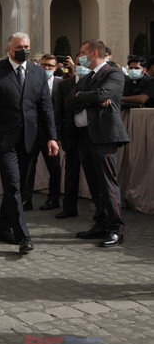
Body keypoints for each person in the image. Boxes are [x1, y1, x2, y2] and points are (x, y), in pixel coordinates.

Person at [0, 32, 59, 254]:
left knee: (21, 187)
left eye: (27, 46)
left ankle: (2, 229)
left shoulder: (38, 73)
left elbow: (45, 108)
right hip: (3, 141)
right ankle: (23, 236)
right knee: (13, 186)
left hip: (29, 140)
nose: (24, 49)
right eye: (19, 46)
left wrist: (52, 136)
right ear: (9, 50)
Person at [66, 39, 129, 247]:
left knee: (107, 183)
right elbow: (68, 100)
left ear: (93, 53)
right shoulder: (87, 77)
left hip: (104, 135)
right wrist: (88, 97)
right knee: (94, 183)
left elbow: (103, 94)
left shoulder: (113, 73)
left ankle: (116, 228)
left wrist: (85, 96)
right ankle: (101, 223)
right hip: (85, 136)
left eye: (83, 52)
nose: (80, 56)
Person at [22, 54, 62, 211]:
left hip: (51, 135)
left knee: (54, 168)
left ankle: (53, 199)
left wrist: (56, 136)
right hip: (32, 132)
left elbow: (61, 112)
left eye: (50, 66)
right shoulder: (31, 82)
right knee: (28, 167)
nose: (46, 68)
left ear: (56, 67)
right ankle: (26, 199)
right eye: (44, 65)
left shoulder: (61, 85)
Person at [53, 54, 84, 219]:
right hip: (70, 135)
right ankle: (69, 207)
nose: (80, 65)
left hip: (92, 135)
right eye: (78, 63)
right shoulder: (64, 84)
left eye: (82, 63)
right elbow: (58, 113)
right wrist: (57, 136)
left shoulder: (97, 81)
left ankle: (101, 210)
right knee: (71, 172)